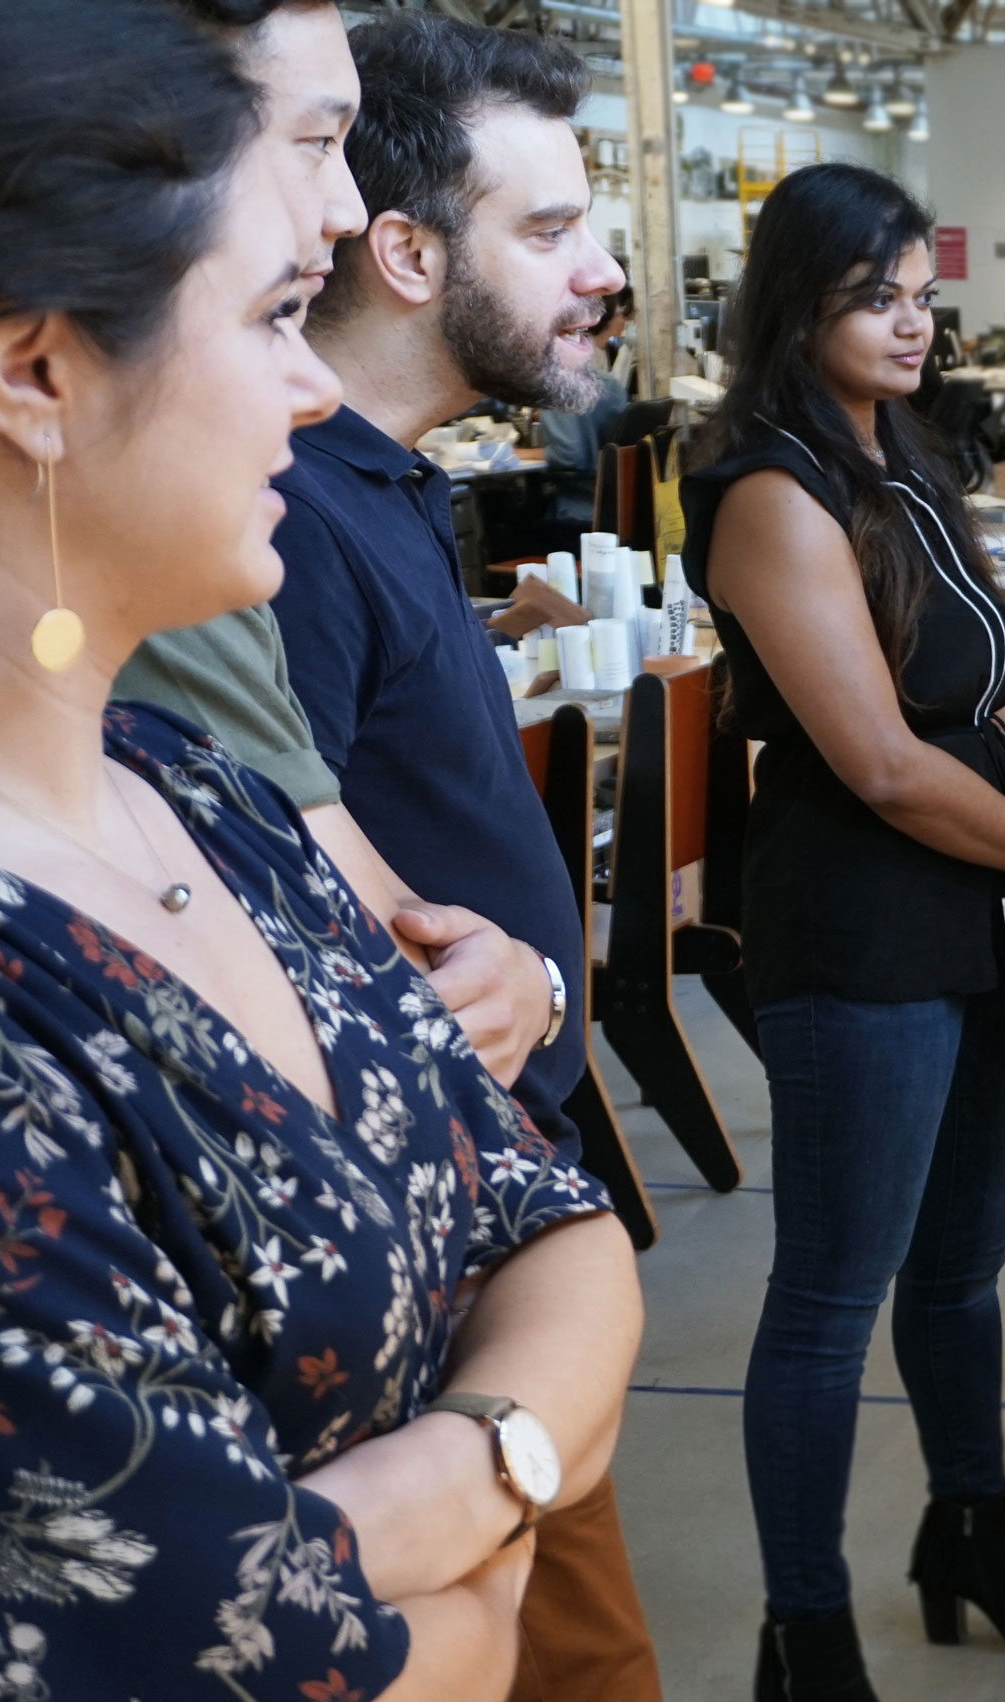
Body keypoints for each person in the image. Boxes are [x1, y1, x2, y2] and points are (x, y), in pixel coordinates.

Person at [0, 4, 644, 1697]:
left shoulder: (194, 786)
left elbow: (560, 1223)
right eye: (273, 314)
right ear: (38, 373)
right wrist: (482, 1532)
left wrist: (464, 1478)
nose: (320, 376)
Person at [677, 162, 1005, 1702]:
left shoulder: (907, 458)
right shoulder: (766, 491)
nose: (915, 323)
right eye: (879, 297)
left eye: (923, 295)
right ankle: (803, 1632)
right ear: (797, 304)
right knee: (828, 1297)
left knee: (960, 1273)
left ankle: (972, 1536)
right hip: (861, 934)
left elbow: (993, 696)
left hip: (986, 918)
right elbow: (879, 760)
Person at [261, 15, 661, 1698]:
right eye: (550, 234)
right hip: (414, 1267)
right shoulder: (282, 513)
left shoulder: (388, 489)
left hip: (495, 1236)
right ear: (409, 251)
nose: (602, 277)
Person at [110, 1, 567, 1108]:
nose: (350, 200)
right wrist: (534, 986)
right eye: (319, 141)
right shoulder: (269, 527)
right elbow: (346, 959)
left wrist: (537, 986)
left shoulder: (369, 489)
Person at [542, 284, 633, 534]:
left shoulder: (559, 381)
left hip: (575, 513)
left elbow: (568, 456)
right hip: (615, 512)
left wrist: (522, 454)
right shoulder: (611, 385)